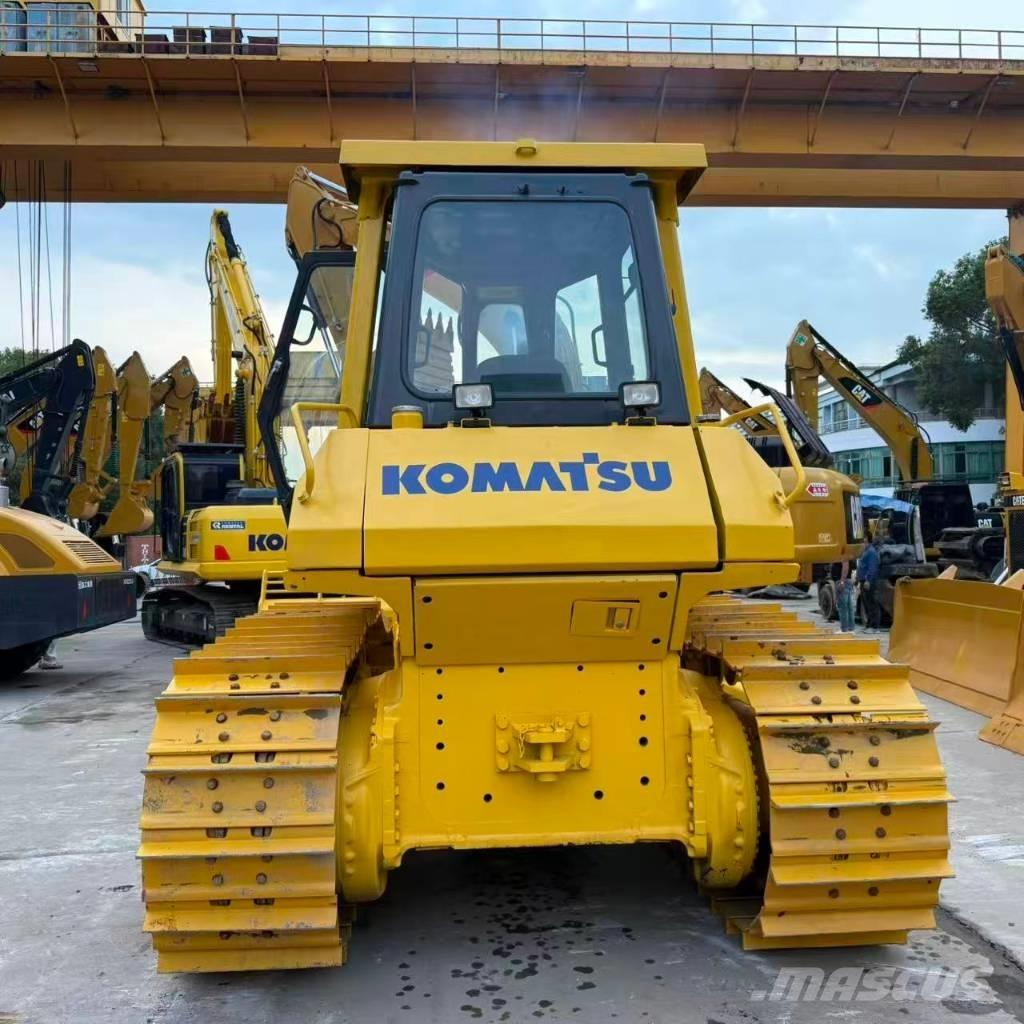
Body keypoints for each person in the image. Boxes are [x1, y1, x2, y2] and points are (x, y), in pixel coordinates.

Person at [857, 537, 883, 631]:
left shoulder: (871, 552)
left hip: (868, 581)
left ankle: (874, 626)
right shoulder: (866, 551)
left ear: (869, 542)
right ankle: (869, 624)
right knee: (866, 603)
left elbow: (872, 568)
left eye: (864, 542)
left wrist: (868, 580)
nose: (863, 544)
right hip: (863, 581)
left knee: (872, 603)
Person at [836, 560, 855, 633]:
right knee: (848, 607)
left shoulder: (843, 555)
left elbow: (845, 567)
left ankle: (844, 629)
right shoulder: (848, 554)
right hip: (847, 581)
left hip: (843, 582)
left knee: (843, 607)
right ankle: (850, 629)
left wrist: (842, 581)